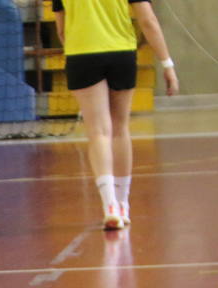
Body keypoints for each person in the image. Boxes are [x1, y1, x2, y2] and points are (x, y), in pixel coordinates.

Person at [53, 0, 178, 230]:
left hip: (82, 54)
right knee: (120, 128)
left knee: (99, 132)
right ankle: (122, 204)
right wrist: (167, 63)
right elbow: (148, 21)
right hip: (121, 53)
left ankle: (109, 205)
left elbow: (61, 30)